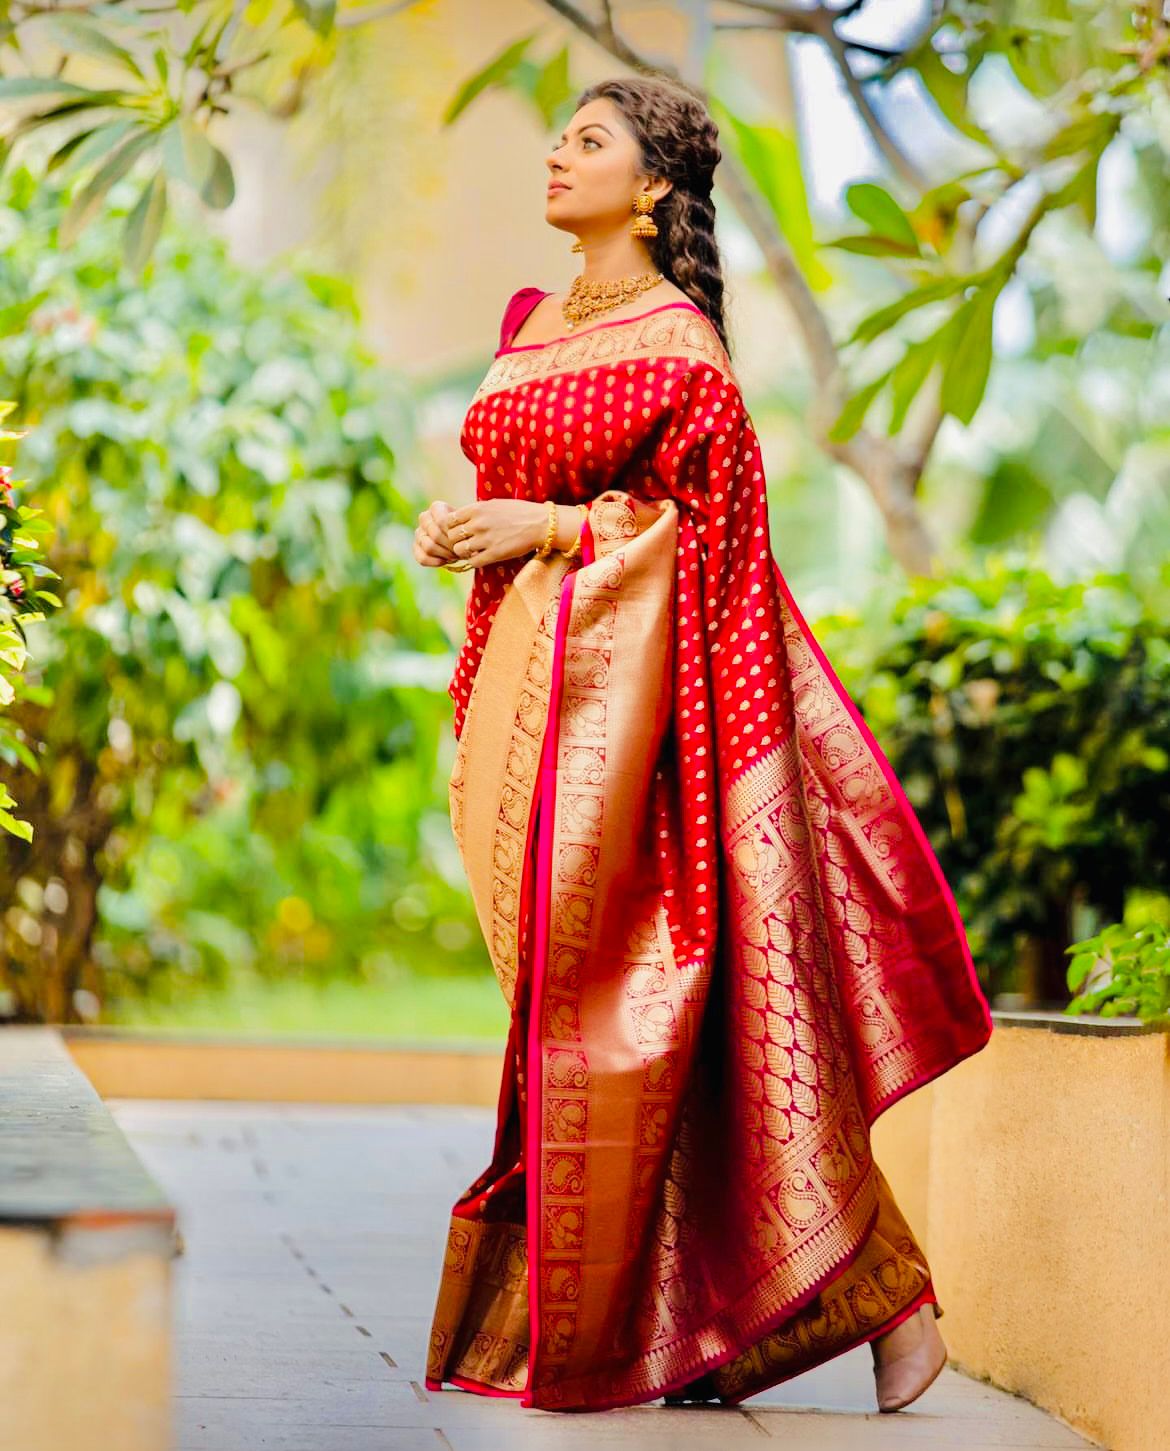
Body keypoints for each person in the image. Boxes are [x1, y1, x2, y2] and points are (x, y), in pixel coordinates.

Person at [411, 74, 993, 1415]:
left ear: (654, 185)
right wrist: (469, 527)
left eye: (591, 140)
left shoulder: (686, 355)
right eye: (560, 135)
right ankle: (711, 1326)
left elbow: (712, 546)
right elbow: (519, 491)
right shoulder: (532, 320)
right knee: (590, 1035)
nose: (557, 153)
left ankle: (884, 1296)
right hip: (522, 712)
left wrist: (551, 533)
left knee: (653, 1031)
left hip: (644, 749)